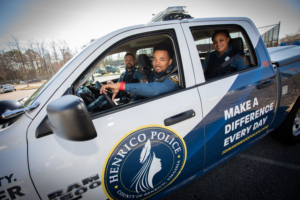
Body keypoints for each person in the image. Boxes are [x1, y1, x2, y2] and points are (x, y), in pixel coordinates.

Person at [100, 43, 179, 101]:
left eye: (162, 59)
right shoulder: (153, 74)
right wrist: (134, 100)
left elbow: (156, 89)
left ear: (170, 62)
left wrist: (121, 86)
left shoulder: (174, 77)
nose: (157, 63)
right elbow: (145, 89)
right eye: (155, 59)